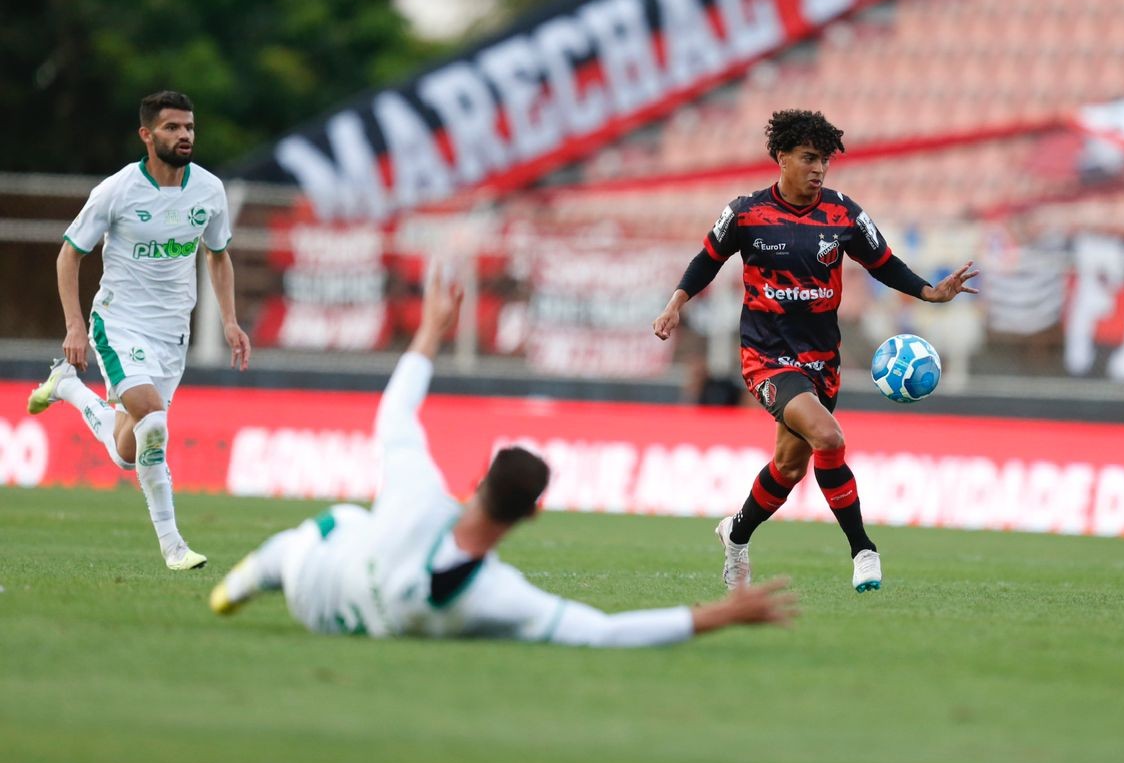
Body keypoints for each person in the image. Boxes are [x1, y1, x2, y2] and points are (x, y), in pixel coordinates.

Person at [211, 263, 797, 645]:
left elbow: (394, 413)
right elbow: (602, 631)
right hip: (359, 625)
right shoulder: (494, 597)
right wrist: (712, 617)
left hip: (312, 591)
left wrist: (431, 333)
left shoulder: (417, 497)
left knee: (338, 523)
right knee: (352, 526)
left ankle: (237, 584)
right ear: (531, 513)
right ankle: (246, 583)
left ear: (475, 481)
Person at [652, 109, 977, 593]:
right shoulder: (745, 213)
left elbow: (883, 262)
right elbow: (707, 259)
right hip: (766, 358)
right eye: (809, 158)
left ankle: (736, 534)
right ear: (781, 157)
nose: (819, 169)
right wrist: (676, 302)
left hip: (822, 360)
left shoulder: (844, 213)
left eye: (824, 160)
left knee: (788, 466)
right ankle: (863, 549)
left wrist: (930, 293)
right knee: (828, 437)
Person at [26, 90, 250, 570]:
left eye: (189, 127)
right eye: (172, 128)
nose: (184, 135)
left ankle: (67, 387)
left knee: (130, 452)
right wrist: (76, 326)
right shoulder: (118, 190)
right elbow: (69, 254)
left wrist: (229, 320)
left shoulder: (209, 190)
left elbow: (218, 254)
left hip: (173, 334)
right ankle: (173, 546)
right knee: (153, 420)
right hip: (119, 325)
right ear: (147, 135)